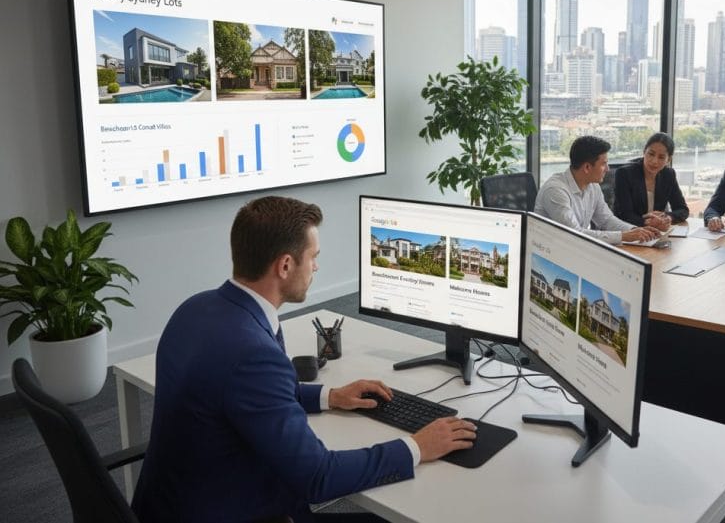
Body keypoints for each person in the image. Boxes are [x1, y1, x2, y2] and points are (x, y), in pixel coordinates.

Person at [132, 196, 477, 523]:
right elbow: (318, 477)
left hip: (166, 504)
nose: (316, 266)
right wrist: (416, 446)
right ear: (285, 265)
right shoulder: (253, 355)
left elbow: (244, 396)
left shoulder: (195, 309)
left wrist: (330, 396)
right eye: (313, 256)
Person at [535, 135, 661, 245]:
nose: (607, 168)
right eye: (603, 164)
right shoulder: (555, 191)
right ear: (587, 167)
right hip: (549, 256)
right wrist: (623, 236)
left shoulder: (592, 186)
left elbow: (606, 220)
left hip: (574, 250)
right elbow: (574, 234)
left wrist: (637, 231)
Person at [613, 132, 691, 231]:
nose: (654, 161)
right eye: (651, 154)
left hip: (656, 233)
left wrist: (667, 217)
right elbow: (624, 214)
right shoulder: (625, 174)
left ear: (668, 160)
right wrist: (647, 223)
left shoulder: (668, 174)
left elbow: (682, 209)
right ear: (644, 152)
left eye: (661, 157)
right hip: (630, 232)